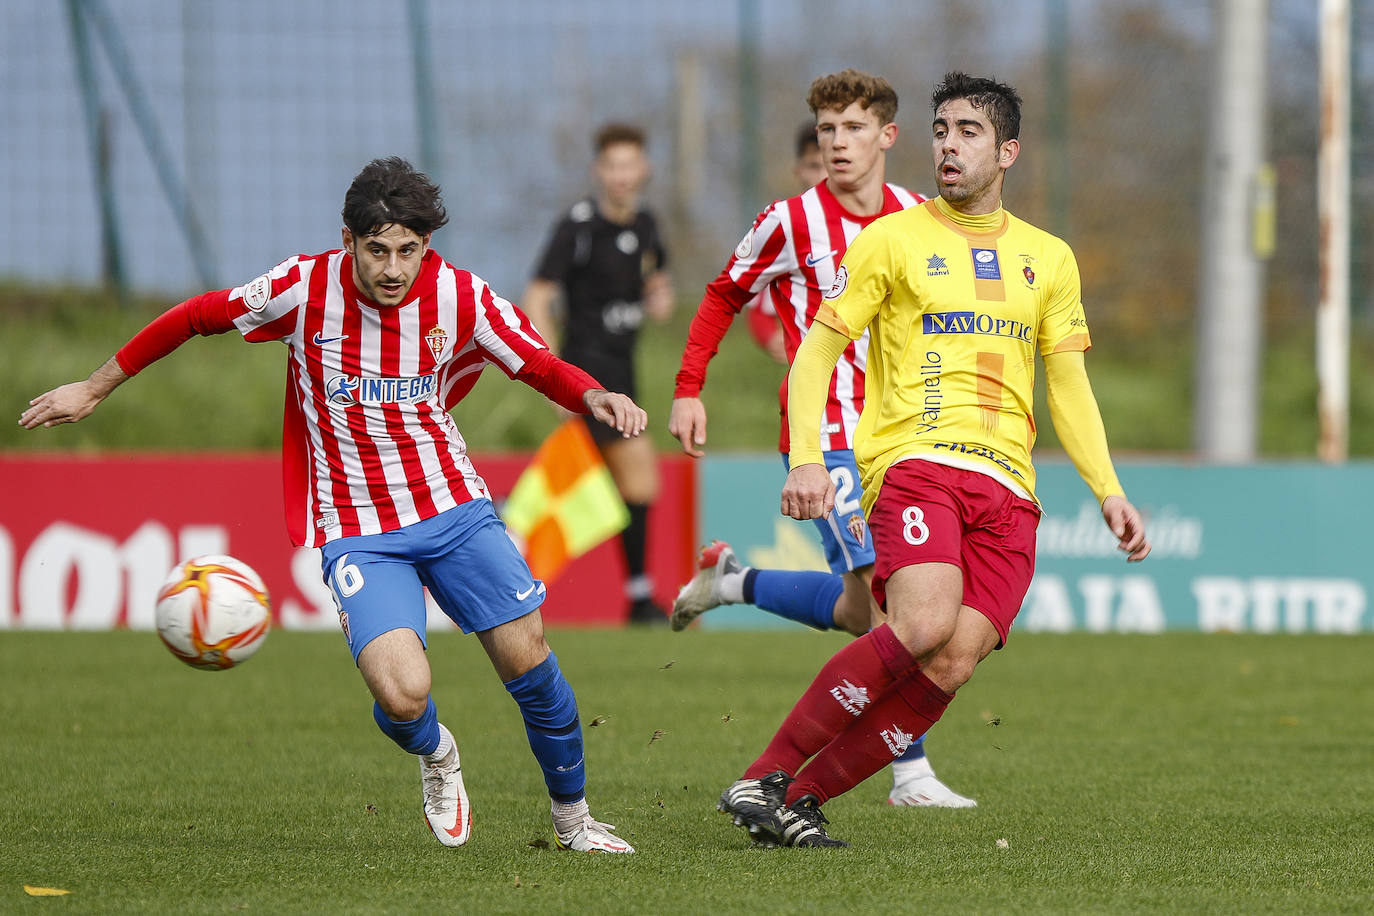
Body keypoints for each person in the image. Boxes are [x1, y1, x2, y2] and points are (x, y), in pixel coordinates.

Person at [21, 157, 639, 854]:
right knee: (403, 696)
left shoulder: (462, 296)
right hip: (358, 530)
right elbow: (197, 316)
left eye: (408, 251)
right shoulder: (302, 288)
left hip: (453, 506)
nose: (393, 269)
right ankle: (436, 754)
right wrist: (95, 387)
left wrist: (593, 394)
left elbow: (536, 363)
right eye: (377, 249)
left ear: (426, 247)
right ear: (347, 239)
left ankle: (575, 822)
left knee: (529, 660)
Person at [716, 72, 1152, 848]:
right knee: (919, 623)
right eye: (941, 130)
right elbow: (816, 351)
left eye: (969, 132)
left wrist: (1108, 489)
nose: (948, 145)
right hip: (918, 461)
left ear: (1008, 151)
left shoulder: (1049, 259)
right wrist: (809, 457)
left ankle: (797, 801)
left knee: (953, 661)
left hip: (1011, 489)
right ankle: (766, 771)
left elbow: (1068, 383)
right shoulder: (893, 238)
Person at [669, 70, 974, 809]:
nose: (837, 143)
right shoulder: (790, 221)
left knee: (856, 609)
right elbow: (722, 293)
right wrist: (687, 389)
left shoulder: (919, 217)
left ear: (888, 137)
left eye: (853, 129)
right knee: (893, 606)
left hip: (904, 439)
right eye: (827, 130)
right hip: (828, 435)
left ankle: (735, 583)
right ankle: (910, 774)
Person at [521, 123, 674, 626]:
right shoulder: (578, 226)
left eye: (630, 165)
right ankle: (638, 599)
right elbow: (539, 294)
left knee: (600, 483)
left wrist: (659, 297)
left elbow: (657, 281)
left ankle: (636, 596)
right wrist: (549, 370)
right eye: (612, 166)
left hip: (624, 373)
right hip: (586, 380)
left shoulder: (648, 226)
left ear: (643, 170)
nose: (621, 176)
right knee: (635, 477)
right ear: (598, 171)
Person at [744, 124, 827, 364]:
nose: (823, 175)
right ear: (798, 170)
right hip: (811, 372)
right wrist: (770, 337)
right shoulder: (786, 227)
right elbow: (759, 306)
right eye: (814, 166)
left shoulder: (874, 223)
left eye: (829, 165)